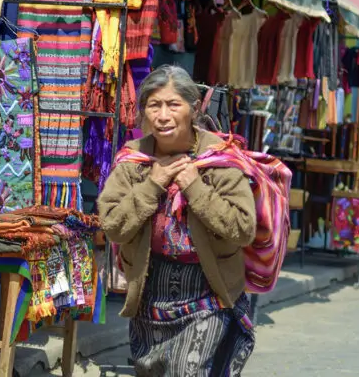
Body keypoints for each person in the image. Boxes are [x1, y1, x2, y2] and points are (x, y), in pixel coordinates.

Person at [98, 65, 257, 376]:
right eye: (154, 105)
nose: (163, 115)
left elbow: (243, 228)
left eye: (174, 105)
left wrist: (194, 187)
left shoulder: (220, 160)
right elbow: (112, 224)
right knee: (151, 370)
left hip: (207, 290)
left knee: (187, 369)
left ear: (194, 108)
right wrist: (152, 184)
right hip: (150, 291)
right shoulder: (133, 161)